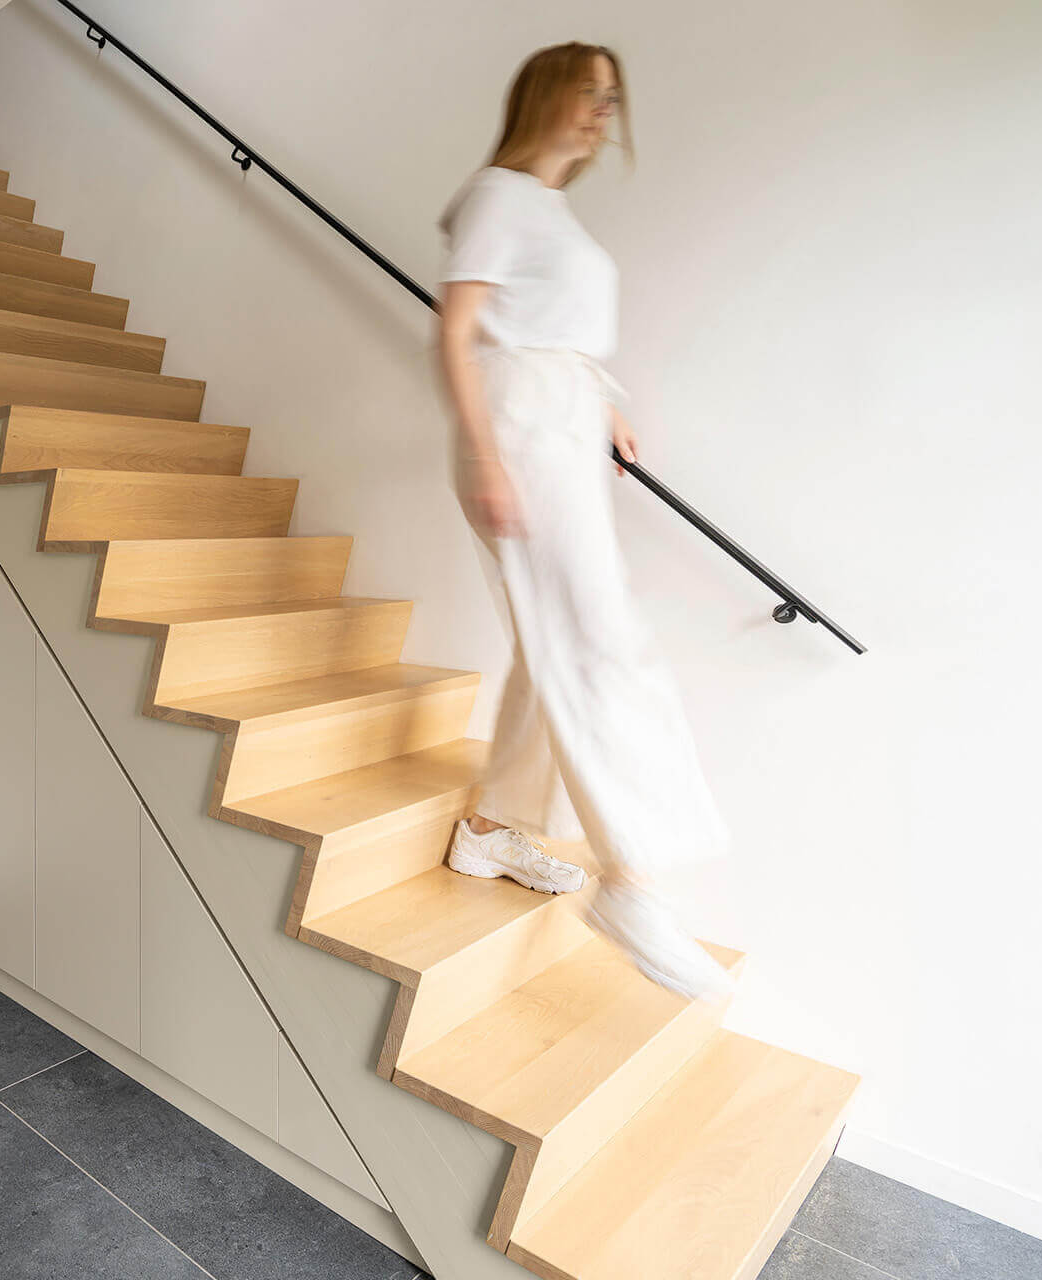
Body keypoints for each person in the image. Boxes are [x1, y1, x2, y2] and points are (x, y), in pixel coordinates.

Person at [434, 41, 736, 1001]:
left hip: (555, 420)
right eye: (590, 92)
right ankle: (632, 884)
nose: (607, 110)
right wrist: (485, 452)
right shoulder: (498, 194)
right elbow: (456, 330)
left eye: (615, 96)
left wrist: (600, 398)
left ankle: (490, 829)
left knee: (548, 645)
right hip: (516, 428)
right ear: (547, 95)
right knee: (598, 640)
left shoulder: (550, 212)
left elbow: (548, 331)